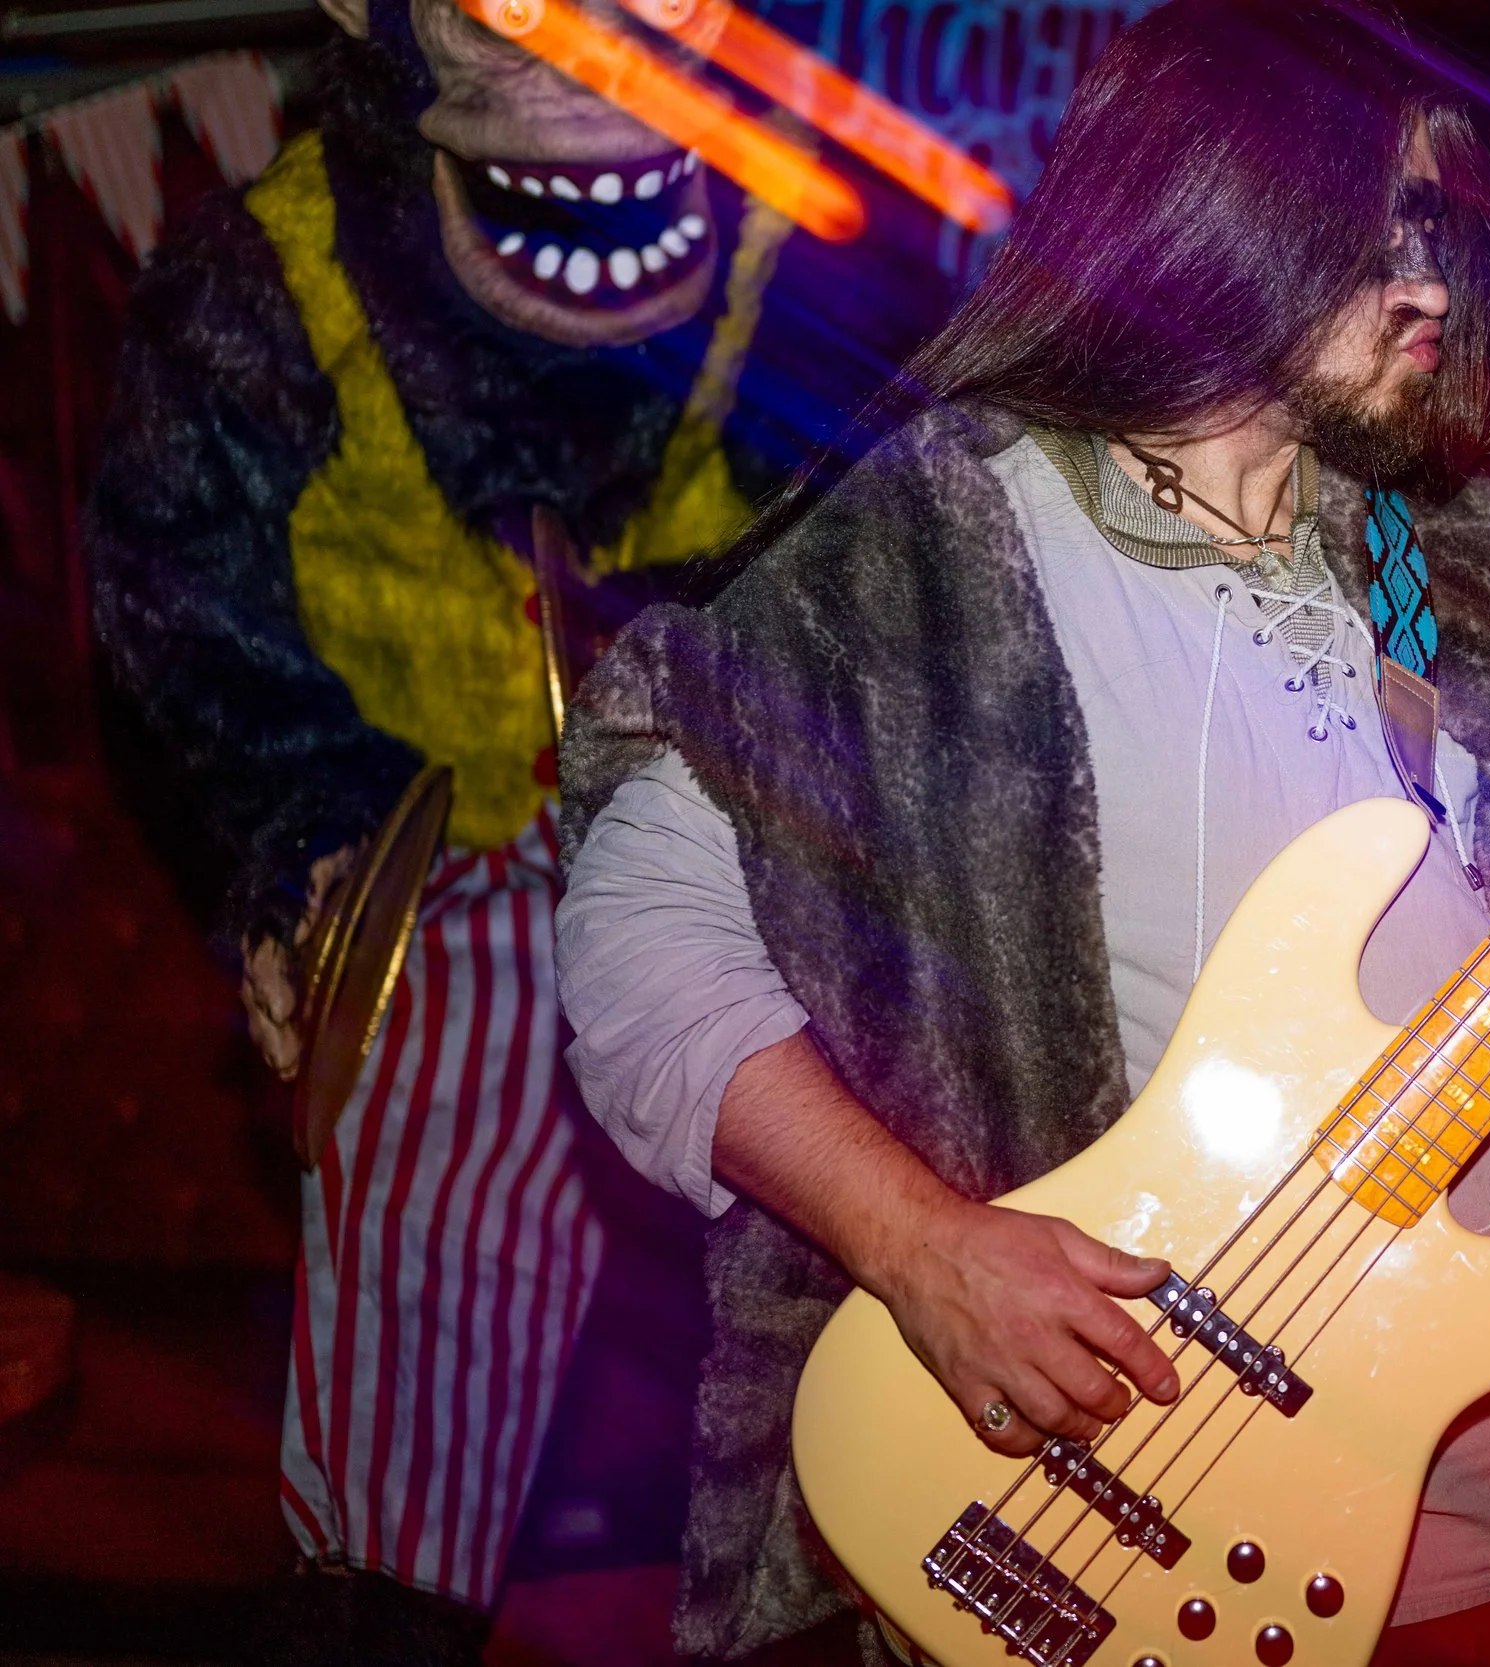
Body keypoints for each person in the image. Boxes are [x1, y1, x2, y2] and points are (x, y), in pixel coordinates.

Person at [553, 1, 1490, 1661]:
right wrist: (924, 1248)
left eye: (1436, 230)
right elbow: (642, 938)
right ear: (1216, 216)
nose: (1434, 283)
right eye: (1380, 229)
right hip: (1169, 1497)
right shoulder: (940, 558)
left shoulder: (1476, 568)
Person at [82, 0, 955, 1657]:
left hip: (740, 839)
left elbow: (891, 562)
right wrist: (298, 848)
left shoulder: (824, 244)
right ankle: (387, 1598)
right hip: (448, 856)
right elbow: (182, 609)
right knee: (436, 1186)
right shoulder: (262, 293)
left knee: (857, 1260)